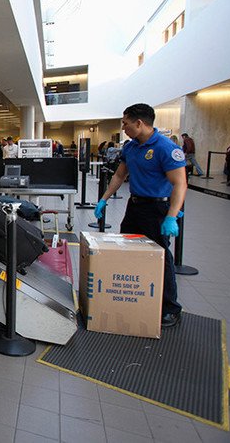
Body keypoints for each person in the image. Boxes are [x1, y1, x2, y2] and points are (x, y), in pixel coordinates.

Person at [94, 103, 187, 328]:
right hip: (135, 207)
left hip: (157, 209)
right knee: (129, 252)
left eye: (126, 123)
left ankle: (170, 308)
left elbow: (180, 184)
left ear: (139, 123)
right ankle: (136, 298)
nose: (123, 128)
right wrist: (104, 198)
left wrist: (171, 216)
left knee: (161, 257)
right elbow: (119, 175)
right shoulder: (130, 147)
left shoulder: (166, 148)